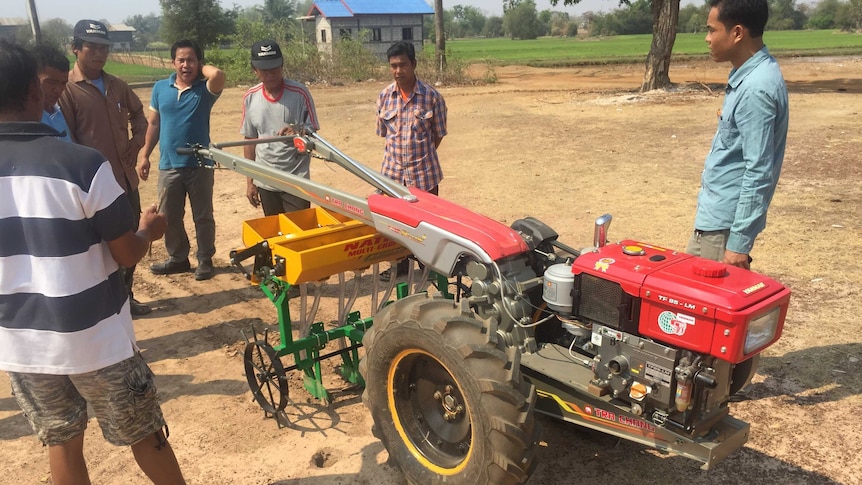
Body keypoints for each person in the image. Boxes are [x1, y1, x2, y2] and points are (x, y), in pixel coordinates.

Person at [0, 39, 185, 485]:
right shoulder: (82, 165)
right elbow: (126, 253)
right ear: (32, 89)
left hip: (23, 344)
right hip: (96, 338)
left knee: (62, 441)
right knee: (144, 432)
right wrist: (150, 231)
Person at [686, 0, 788, 271]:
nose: (707, 39)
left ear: (737, 33)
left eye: (711, 30)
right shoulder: (750, 75)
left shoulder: (756, 88)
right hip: (715, 221)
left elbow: (759, 171)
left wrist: (738, 243)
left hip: (724, 231)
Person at [59, 19, 152, 315]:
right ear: (75, 48)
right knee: (100, 246)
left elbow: (140, 116)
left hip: (124, 181)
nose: (99, 54)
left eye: (104, 48)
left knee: (131, 239)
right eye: (92, 47)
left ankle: (127, 297)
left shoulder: (117, 85)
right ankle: (107, 302)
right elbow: (69, 138)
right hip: (92, 185)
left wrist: (137, 144)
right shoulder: (68, 91)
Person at [138, 40, 225, 281]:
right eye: (181, 60)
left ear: (199, 63)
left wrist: (202, 66)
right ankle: (178, 258)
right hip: (169, 164)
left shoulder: (205, 91)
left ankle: (205, 260)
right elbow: (154, 124)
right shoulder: (160, 88)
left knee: (203, 216)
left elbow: (217, 74)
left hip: (200, 164)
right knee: (168, 216)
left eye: (192, 60)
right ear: (172, 62)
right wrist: (144, 155)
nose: (186, 65)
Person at [376, 41, 447, 281]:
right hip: (392, 176)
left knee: (427, 225)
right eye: (393, 66)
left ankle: (428, 267)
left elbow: (437, 134)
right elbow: (384, 134)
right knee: (395, 225)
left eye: (403, 65)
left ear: (414, 64)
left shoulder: (432, 98)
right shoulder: (384, 97)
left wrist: (419, 158)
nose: (398, 71)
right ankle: (400, 267)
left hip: (424, 175)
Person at [241, 39, 320, 216]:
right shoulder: (250, 98)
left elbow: (313, 132)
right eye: (264, 69)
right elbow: (249, 141)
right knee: (275, 234)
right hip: (266, 180)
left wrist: (298, 132)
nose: (270, 73)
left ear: (282, 66)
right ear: (255, 70)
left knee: (299, 234)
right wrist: (250, 182)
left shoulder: (300, 94)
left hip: (296, 179)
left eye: (274, 67)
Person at [31, 44, 72, 143]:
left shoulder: (60, 113)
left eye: (63, 83)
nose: (58, 89)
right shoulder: (27, 118)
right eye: (51, 82)